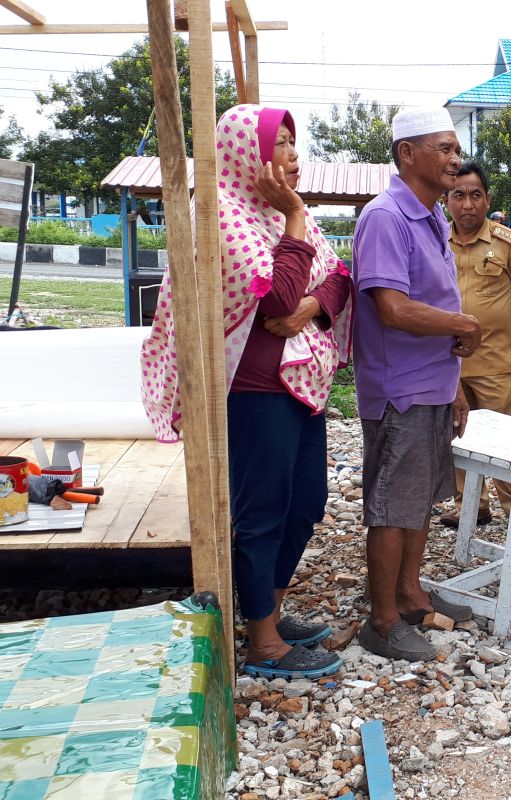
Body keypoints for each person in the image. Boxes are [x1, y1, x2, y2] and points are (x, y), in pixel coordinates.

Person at [141, 104, 352, 679]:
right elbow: (277, 301)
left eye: (292, 142)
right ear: (244, 155)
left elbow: (337, 279)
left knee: (306, 502)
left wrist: (313, 303)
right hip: (254, 389)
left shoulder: (281, 218)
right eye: (277, 143)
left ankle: (269, 611)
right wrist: (295, 221)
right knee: (261, 512)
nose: (290, 154)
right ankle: (262, 643)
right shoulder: (220, 216)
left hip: (301, 386)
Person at [351, 108, 479, 662]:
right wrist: (463, 326)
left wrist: (454, 383)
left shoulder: (429, 216)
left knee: (422, 499)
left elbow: (438, 301)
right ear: (408, 154)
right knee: (392, 504)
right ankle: (381, 621)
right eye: (444, 149)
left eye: (456, 150)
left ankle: (407, 593)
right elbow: (393, 308)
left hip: (432, 383)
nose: (455, 160)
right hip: (398, 387)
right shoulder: (386, 217)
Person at [440, 161, 511, 527]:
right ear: (447, 200)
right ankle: (472, 506)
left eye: (475, 195)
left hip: (493, 362)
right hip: (445, 363)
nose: (467, 204)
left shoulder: (508, 242)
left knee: (504, 439)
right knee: (456, 436)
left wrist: (494, 328)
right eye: (459, 195)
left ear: (487, 199)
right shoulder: (435, 239)